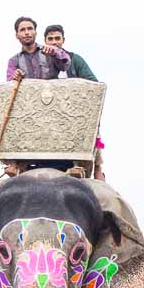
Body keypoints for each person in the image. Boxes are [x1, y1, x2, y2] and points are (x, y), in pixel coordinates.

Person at [45, 24, 107, 180]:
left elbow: (94, 84)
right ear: (45, 41)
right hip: (48, 117)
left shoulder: (75, 60)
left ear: (63, 40)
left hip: (74, 115)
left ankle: (99, 175)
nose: (54, 42)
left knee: (92, 133)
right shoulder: (40, 61)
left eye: (57, 38)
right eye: (50, 39)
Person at [6, 16, 71, 82]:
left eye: (30, 29)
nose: (26, 32)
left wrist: (56, 52)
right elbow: (9, 84)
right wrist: (15, 76)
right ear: (17, 35)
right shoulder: (14, 61)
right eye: (22, 30)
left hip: (50, 91)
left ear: (35, 33)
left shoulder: (49, 51)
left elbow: (65, 66)